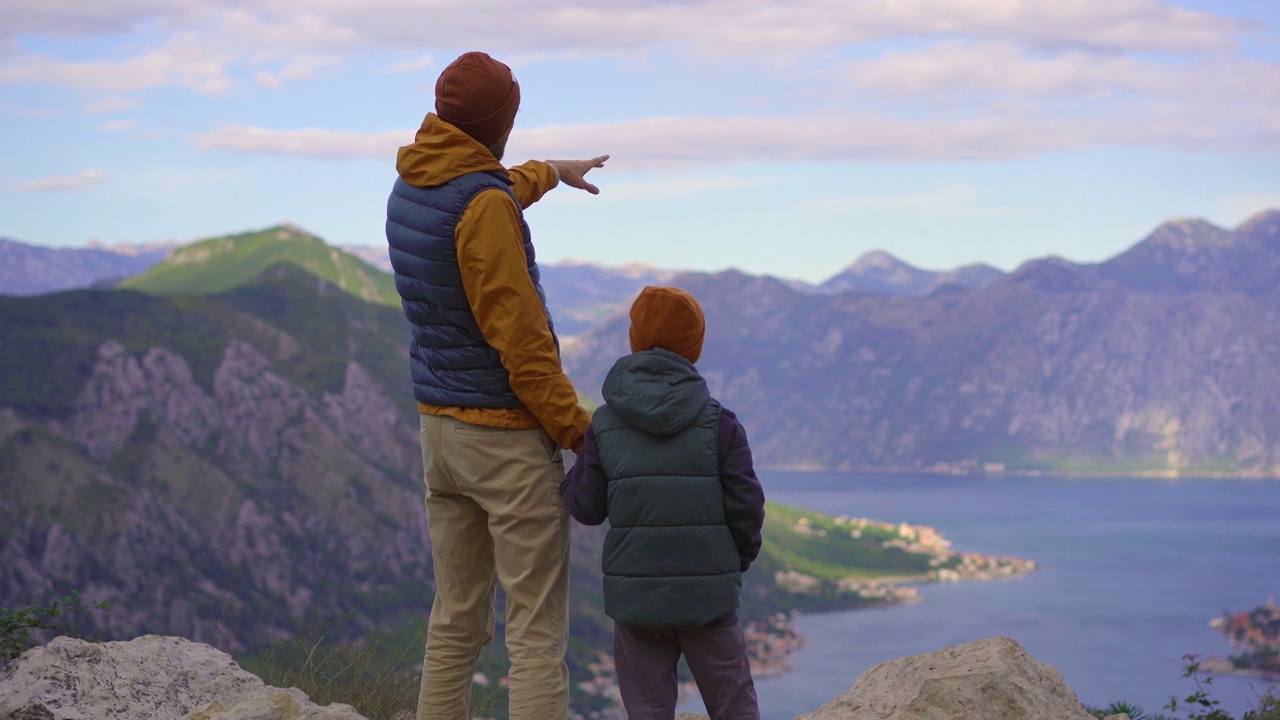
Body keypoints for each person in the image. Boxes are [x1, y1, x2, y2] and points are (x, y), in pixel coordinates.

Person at [384, 50, 608, 720]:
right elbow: (524, 349)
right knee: (535, 633)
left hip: (439, 434)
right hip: (503, 439)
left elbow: (482, 192)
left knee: (455, 621)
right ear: (496, 122)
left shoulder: (412, 185)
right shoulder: (482, 205)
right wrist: (581, 434)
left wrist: (550, 173)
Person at [561, 285, 766, 720]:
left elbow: (587, 508)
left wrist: (566, 478)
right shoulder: (720, 424)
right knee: (734, 706)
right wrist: (733, 561)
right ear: (695, 347)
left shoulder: (605, 423)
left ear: (634, 339)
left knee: (648, 709)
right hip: (709, 596)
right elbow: (747, 507)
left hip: (636, 597)